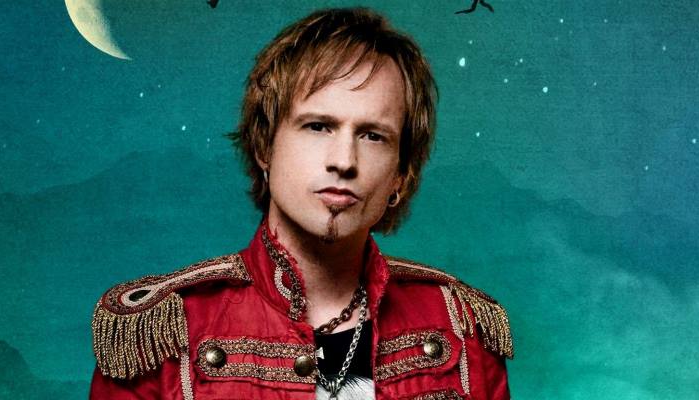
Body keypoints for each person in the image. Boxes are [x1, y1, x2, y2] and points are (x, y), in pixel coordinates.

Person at [89, 7, 513, 400]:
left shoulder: (463, 330)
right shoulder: (162, 336)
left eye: (373, 136)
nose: (344, 161)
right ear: (265, 147)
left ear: (400, 176)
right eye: (318, 126)